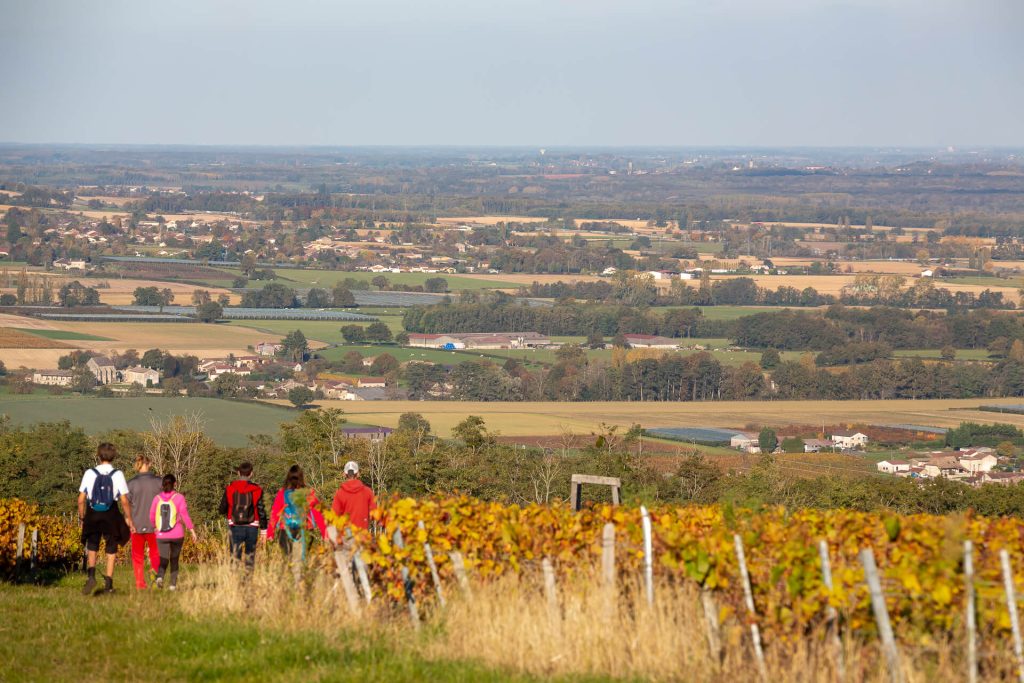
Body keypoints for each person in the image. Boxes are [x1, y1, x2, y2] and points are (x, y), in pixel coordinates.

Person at [78, 443, 133, 595]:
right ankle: (108, 584)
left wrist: (83, 515)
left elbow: (81, 499)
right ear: (113, 456)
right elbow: (124, 500)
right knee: (111, 547)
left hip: (93, 511)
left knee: (92, 544)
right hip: (111, 512)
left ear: (98, 455)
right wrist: (128, 518)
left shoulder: (90, 473)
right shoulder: (118, 474)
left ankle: (91, 576)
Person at [148, 474, 196, 591]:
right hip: (177, 534)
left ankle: (160, 577)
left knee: (163, 558)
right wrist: (192, 531)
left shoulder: (157, 498)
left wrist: (155, 527)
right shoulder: (179, 497)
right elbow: (185, 515)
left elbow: (151, 516)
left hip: (161, 535)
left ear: (163, 485)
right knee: (174, 559)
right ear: (175, 484)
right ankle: (172, 586)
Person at [269, 465, 327, 556]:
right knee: (301, 561)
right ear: (301, 478)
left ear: (288, 478)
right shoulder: (308, 493)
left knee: (288, 562)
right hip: (305, 530)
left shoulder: (282, 493)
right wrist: (325, 534)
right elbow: (318, 515)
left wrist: (270, 534)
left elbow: (274, 514)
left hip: (285, 530)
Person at [219, 462, 267, 569]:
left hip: (234, 525)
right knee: (250, 557)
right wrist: (264, 530)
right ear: (251, 474)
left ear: (238, 473)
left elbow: (221, 509)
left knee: (235, 556)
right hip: (253, 527)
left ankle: (234, 582)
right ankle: (247, 582)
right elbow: (261, 510)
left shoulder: (230, 488)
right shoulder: (257, 490)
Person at [126, 455, 162, 589]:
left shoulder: (130, 484)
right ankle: (157, 578)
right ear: (150, 464)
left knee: (137, 555)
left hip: (136, 524)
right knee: (156, 553)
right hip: (156, 524)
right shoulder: (159, 482)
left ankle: (140, 583)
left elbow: (126, 504)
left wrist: (128, 520)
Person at [331, 461, 376, 531]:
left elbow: (334, 516)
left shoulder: (339, 494)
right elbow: (374, 514)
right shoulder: (368, 492)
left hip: (346, 536)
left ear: (344, 474)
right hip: (363, 536)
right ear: (358, 474)